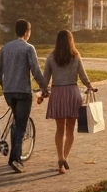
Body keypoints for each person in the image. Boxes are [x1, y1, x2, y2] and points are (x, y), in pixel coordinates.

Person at [0, 19, 48, 173]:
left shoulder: (5, 48)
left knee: (16, 121)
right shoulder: (28, 48)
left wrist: (5, 86)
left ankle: (14, 154)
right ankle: (15, 159)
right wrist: (44, 87)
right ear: (26, 32)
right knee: (21, 125)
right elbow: (36, 71)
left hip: (9, 92)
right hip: (23, 92)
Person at [38, 29, 94, 175]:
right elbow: (83, 76)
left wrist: (43, 93)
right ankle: (64, 162)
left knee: (59, 130)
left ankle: (60, 157)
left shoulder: (51, 58)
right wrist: (90, 86)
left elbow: (45, 80)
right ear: (71, 41)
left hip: (57, 94)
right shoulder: (75, 57)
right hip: (72, 94)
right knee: (70, 131)